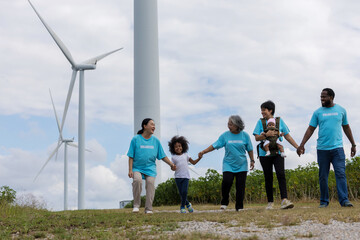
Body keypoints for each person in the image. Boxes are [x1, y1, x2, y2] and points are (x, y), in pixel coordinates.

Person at [297, 88, 356, 208]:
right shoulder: (318, 112)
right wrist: (302, 144)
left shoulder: (341, 110)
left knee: (340, 173)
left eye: (324, 97)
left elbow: (346, 128)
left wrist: (353, 144)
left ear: (331, 97)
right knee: (323, 176)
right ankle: (324, 201)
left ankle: (344, 200)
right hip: (322, 149)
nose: (322, 99)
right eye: (321, 97)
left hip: (337, 149)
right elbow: (310, 129)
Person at [198, 115, 255, 211]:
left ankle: (239, 206)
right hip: (228, 164)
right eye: (228, 124)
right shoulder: (225, 135)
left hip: (242, 164)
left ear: (237, 125)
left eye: (231, 124)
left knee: (240, 186)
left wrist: (252, 160)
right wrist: (203, 151)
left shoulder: (245, 135)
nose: (229, 126)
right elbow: (215, 145)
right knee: (226, 182)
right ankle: (224, 202)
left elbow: (250, 149)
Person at [253, 100, 299, 210]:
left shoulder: (280, 121)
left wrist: (298, 147)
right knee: (268, 177)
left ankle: (284, 200)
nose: (262, 112)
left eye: (263, 110)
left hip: (278, 153)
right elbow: (256, 138)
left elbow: (287, 136)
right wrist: (266, 135)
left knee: (281, 174)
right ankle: (270, 202)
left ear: (270, 110)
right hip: (265, 154)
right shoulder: (260, 122)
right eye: (261, 110)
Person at [128, 118, 176, 214]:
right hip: (137, 168)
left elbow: (162, 156)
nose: (154, 126)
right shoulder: (135, 139)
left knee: (150, 184)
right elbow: (131, 156)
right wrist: (130, 170)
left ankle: (148, 209)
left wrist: (171, 164)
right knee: (137, 181)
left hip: (150, 169)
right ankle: (136, 206)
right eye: (151, 124)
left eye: (154, 125)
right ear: (144, 126)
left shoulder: (156, 141)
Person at [168, 135, 202, 213]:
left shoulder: (186, 155)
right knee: (181, 194)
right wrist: (173, 167)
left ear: (183, 146)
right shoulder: (173, 157)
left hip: (186, 177)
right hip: (177, 177)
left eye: (179, 146)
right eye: (176, 147)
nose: (178, 148)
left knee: (184, 192)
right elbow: (172, 167)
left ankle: (182, 207)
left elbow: (193, 162)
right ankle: (188, 204)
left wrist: (199, 158)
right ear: (173, 148)